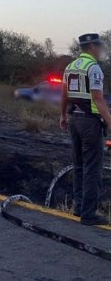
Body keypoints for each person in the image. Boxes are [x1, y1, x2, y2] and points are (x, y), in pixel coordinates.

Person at [60, 33, 111, 226]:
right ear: (92, 47)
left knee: (79, 165)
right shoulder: (93, 68)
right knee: (93, 168)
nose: (101, 50)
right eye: (99, 46)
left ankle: (79, 207)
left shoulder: (70, 66)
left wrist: (63, 115)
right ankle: (89, 214)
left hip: (74, 120)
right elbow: (98, 98)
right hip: (90, 123)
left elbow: (63, 93)